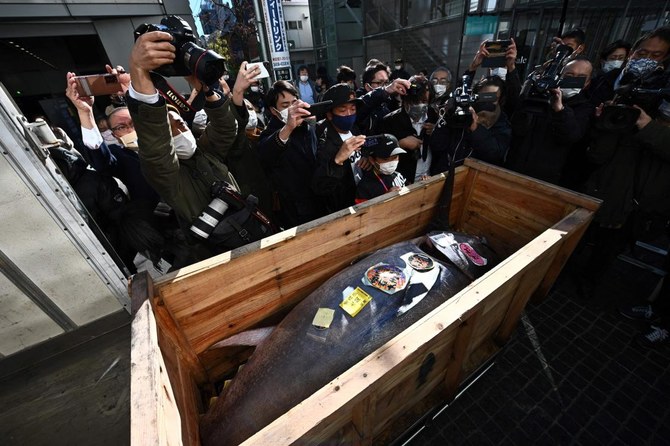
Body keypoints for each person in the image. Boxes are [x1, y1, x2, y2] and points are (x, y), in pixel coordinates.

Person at [127, 30, 273, 259]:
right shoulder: (169, 178)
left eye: (180, 121)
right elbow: (157, 151)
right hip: (223, 254)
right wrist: (138, 71)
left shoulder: (204, 152)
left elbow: (226, 129)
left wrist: (207, 89)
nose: (181, 126)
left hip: (252, 229)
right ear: (164, 137)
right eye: (172, 126)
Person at [312, 80, 409, 213]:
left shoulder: (355, 128)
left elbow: (367, 101)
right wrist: (338, 160)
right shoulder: (322, 140)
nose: (349, 114)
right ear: (329, 114)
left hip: (365, 198)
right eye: (342, 110)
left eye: (352, 109)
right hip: (343, 208)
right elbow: (320, 187)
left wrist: (365, 158)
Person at [505, 57, 595, 185]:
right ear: (561, 75)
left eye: (580, 77)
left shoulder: (584, 108)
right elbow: (516, 115)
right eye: (569, 74)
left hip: (546, 179)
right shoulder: (542, 95)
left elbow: (571, 136)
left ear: (587, 83)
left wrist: (560, 110)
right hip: (515, 167)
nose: (573, 80)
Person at [257, 80, 327, 228]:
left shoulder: (307, 126)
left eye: (294, 102)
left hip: (319, 199)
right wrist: (288, 127)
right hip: (295, 211)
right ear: (274, 110)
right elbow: (267, 154)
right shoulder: (269, 135)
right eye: (285, 105)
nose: (292, 109)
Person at [377, 75, 434, 184]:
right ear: (405, 98)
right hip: (402, 183)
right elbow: (378, 154)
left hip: (429, 178)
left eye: (424, 101)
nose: (419, 105)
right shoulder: (390, 121)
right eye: (415, 101)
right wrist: (399, 144)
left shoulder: (433, 116)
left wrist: (436, 131)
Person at [355, 134, 406, 203]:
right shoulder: (364, 187)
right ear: (372, 160)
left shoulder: (397, 174)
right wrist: (385, 198)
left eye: (395, 157)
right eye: (385, 159)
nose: (391, 162)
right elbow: (362, 212)